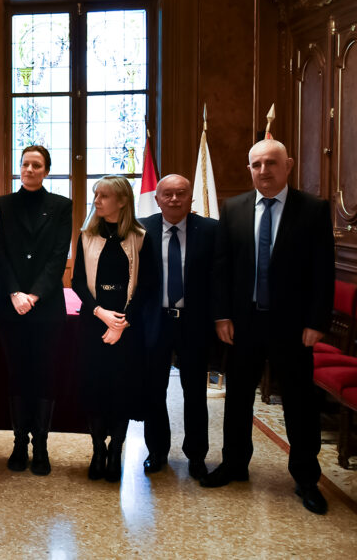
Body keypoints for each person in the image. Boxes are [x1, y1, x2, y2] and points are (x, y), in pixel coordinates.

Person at [201, 139, 335, 515]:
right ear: (250, 169)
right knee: (238, 399)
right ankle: (234, 464)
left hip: (293, 327)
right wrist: (222, 316)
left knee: (299, 403)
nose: (264, 170)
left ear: (288, 165)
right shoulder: (234, 208)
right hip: (243, 324)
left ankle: (306, 477)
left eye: (271, 163)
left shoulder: (313, 209)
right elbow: (222, 268)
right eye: (257, 164)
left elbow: (323, 271)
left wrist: (316, 322)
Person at [0, 145, 72, 476]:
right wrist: (14, 292)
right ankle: (19, 443)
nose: (29, 169)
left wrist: (34, 295)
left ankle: (40, 445)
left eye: (36, 165)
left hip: (46, 306)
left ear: (46, 171)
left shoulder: (61, 206)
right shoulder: (0, 204)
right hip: (9, 305)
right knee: (16, 373)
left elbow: (58, 257)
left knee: (43, 373)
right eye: (25, 164)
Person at [71, 175, 156, 483]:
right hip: (93, 324)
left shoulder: (140, 237)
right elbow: (77, 282)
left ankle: (116, 451)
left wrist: (121, 322)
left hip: (127, 327)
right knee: (95, 387)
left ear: (122, 201)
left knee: (122, 390)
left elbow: (147, 285)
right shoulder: (86, 236)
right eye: (96, 195)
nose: (96, 201)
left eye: (103, 196)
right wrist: (102, 314)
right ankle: (98, 450)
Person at [140, 174, 217, 480]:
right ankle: (156, 451)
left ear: (190, 198)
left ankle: (196, 456)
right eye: (168, 194)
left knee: (195, 393)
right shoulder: (141, 229)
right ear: (157, 199)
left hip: (194, 323)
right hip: (155, 321)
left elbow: (219, 278)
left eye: (181, 193)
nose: (174, 199)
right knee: (153, 391)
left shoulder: (210, 230)